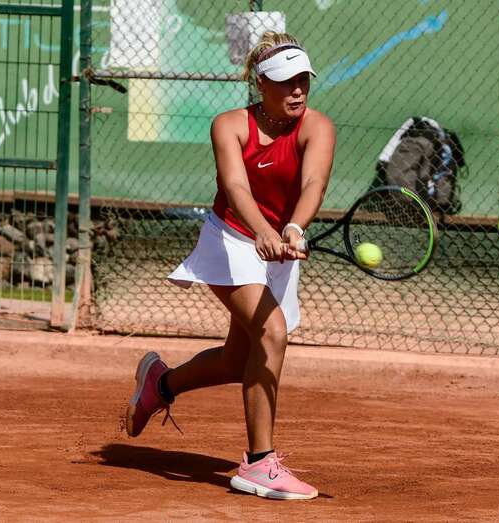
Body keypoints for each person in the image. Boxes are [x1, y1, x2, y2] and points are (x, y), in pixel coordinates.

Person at [124, 31, 336, 501]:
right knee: (272, 333)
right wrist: (262, 229)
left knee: (239, 362)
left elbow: (314, 183)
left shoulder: (318, 126)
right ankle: (260, 464)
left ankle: (161, 383)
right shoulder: (229, 125)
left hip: (280, 243)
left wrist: (294, 229)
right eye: (285, 81)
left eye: (303, 79)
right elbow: (236, 187)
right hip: (230, 240)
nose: (297, 89)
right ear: (260, 83)